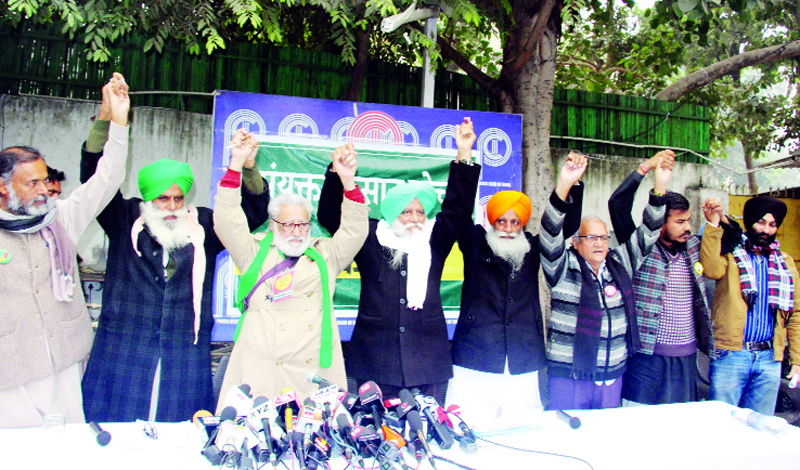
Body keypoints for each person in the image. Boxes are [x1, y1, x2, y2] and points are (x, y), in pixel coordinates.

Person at [80, 102, 271, 422]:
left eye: (177, 198)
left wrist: (248, 166)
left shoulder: (204, 226)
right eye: (162, 198)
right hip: (124, 357)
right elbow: (93, 182)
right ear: (147, 198)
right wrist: (105, 121)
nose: (171, 206)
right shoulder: (123, 219)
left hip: (182, 360)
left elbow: (250, 214)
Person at [317, 118, 481, 402]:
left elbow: (458, 207)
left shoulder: (435, 238)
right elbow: (331, 217)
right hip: (376, 362)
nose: (415, 218)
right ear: (392, 215)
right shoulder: (370, 236)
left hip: (427, 361)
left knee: (429, 434)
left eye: (420, 212)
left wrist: (464, 152)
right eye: (406, 212)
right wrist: (338, 175)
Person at [0, 73, 130, 427]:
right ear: (3, 187)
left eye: (45, 180)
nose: (44, 190)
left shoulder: (60, 220)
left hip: (64, 368)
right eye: (32, 183)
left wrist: (116, 121)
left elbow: (107, 178)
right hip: (9, 378)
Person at [213, 132, 369, 405]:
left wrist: (347, 180)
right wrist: (236, 163)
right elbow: (227, 221)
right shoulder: (253, 252)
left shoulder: (326, 254)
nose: (296, 231)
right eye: (288, 224)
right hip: (261, 368)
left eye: (303, 224)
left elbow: (355, 231)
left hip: (312, 372)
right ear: (273, 225)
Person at [445, 155, 584, 429]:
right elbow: (459, 213)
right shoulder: (475, 244)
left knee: (520, 429)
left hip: (522, 354)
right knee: (470, 425)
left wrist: (569, 184)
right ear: (492, 221)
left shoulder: (532, 247)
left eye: (515, 223)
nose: (508, 229)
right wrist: (464, 158)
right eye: (502, 222)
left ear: (522, 224)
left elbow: (562, 227)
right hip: (476, 354)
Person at [540, 155, 672, 410]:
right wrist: (565, 184)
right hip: (570, 375)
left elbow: (649, 232)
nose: (599, 243)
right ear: (575, 242)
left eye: (603, 237)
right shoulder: (562, 266)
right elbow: (549, 231)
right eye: (591, 237)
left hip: (612, 375)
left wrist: (660, 187)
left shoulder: (620, 262)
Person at [607, 151, 714, 405]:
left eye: (688, 220)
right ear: (660, 223)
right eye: (680, 222)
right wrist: (646, 168)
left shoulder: (693, 247)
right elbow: (618, 205)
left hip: (687, 358)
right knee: (641, 424)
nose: (688, 227)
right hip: (646, 358)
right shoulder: (640, 247)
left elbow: (730, 242)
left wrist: (718, 221)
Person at [701, 195, 800, 415]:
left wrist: (797, 360)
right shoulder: (731, 255)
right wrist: (713, 223)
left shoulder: (785, 262)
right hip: (731, 355)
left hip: (769, 359)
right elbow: (710, 269)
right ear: (750, 222)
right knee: (720, 424)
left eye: (773, 225)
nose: (766, 230)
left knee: (760, 430)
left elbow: (795, 314)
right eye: (761, 222)